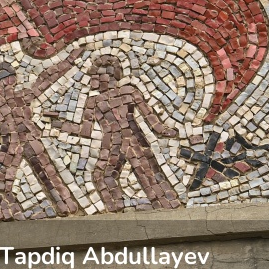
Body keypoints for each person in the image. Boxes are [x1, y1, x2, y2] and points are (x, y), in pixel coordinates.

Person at [0, 47, 85, 217]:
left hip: (28, 140)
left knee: (47, 171)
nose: (4, 85)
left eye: (6, 81)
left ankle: (65, 203)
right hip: (10, 148)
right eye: (0, 82)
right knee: (8, 178)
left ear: (11, 81)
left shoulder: (21, 97)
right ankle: (0, 207)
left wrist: (69, 60)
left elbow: (47, 78)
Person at [51, 54, 180, 212]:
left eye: (100, 76)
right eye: (96, 77)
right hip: (115, 144)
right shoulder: (96, 101)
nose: (98, 81)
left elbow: (150, 117)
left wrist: (165, 131)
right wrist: (58, 124)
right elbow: (85, 130)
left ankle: (163, 205)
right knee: (104, 176)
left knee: (146, 174)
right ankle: (119, 208)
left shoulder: (127, 92)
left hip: (129, 141)